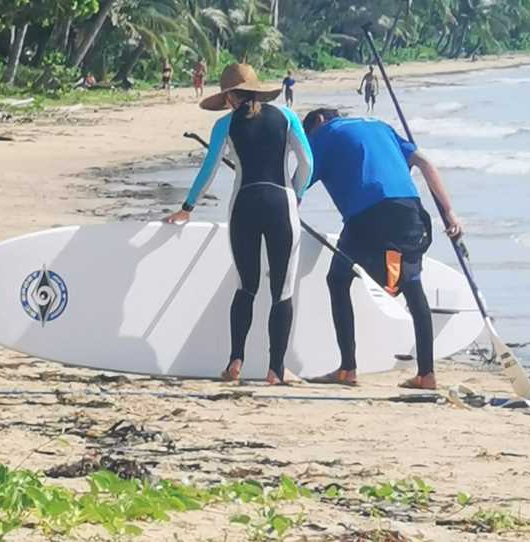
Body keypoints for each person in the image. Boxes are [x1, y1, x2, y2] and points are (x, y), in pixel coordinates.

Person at [163, 64, 314, 385]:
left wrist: (187, 208)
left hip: (243, 205)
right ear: (257, 89)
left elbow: (209, 169)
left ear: (230, 96)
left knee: (246, 286)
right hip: (280, 204)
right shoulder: (286, 117)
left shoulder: (225, 124)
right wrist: (296, 194)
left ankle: (235, 361)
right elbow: (307, 163)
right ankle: (276, 370)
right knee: (282, 290)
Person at [301, 108, 462, 389]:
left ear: (318, 121)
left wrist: (286, 206)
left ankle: (347, 369)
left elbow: (301, 180)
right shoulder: (381, 126)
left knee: (338, 279)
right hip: (411, 209)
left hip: (368, 215)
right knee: (413, 285)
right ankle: (427, 373)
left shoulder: (323, 133)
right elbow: (426, 164)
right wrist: (449, 213)